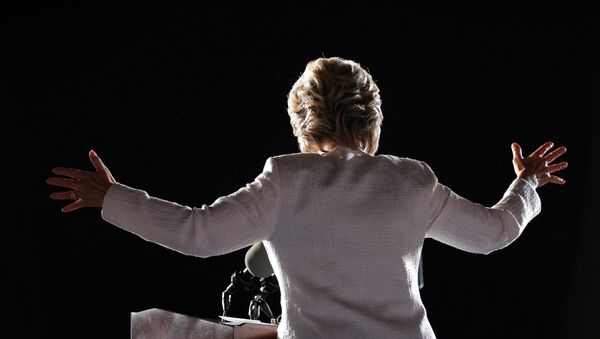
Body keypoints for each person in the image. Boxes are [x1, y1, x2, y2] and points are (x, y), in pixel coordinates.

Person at [47, 57, 568, 339]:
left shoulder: (283, 179)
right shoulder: (412, 180)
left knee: (161, 329)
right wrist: (528, 183)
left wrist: (110, 197)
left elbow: (197, 234)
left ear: (302, 123)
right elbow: (496, 234)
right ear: (374, 122)